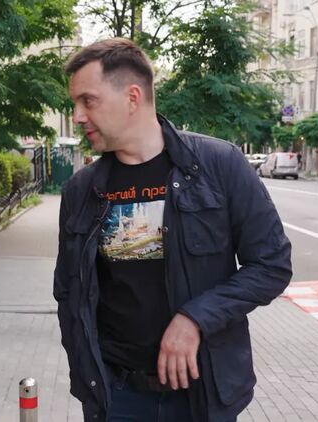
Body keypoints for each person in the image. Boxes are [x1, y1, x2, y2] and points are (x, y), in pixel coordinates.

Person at [53, 39, 292, 422]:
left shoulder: (219, 165)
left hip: (201, 395)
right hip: (117, 396)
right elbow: (68, 291)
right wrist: (86, 372)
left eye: (88, 101)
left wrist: (196, 318)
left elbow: (271, 265)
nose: (78, 115)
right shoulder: (81, 190)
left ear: (132, 97)